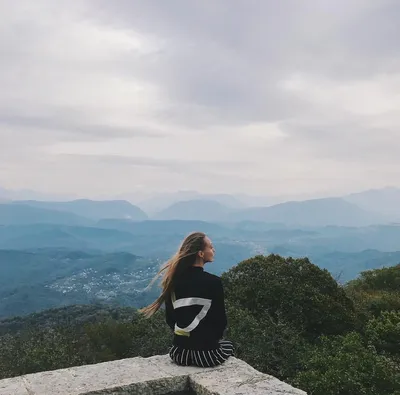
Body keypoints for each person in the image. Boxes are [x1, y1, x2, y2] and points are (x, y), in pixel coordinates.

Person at [140, 231, 234, 367]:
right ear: (201, 254)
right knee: (229, 345)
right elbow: (220, 322)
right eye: (211, 246)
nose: (214, 250)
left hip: (179, 353)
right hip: (206, 356)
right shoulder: (214, 282)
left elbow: (170, 320)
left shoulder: (172, 281)